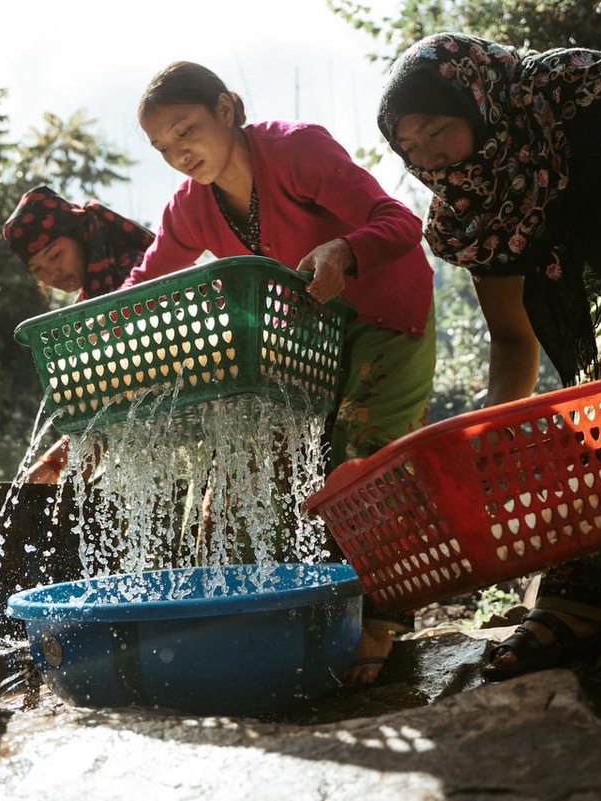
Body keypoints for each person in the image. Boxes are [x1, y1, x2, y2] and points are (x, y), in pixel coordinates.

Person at [377, 32, 601, 680]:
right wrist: (489, 441)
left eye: (437, 129)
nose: (429, 156)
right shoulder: (470, 211)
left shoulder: (582, 102)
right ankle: (585, 603)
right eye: (410, 147)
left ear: (480, 99)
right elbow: (513, 337)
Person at [126, 61, 438, 685]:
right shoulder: (189, 208)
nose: (178, 153)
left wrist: (344, 250)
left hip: (384, 312)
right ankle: (278, 620)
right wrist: (86, 334)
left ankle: (379, 625)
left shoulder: (296, 151)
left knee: (364, 462)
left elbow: (403, 223)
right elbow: (145, 281)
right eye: (163, 147)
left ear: (227, 108)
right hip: (305, 342)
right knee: (254, 470)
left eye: (186, 129)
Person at [3, 185, 154, 483]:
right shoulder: (85, 314)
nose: (52, 274)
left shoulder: (139, 271)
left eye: (56, 255)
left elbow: (128, 393)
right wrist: (52, 467)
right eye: (38, 270)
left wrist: (57, 466)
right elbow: (103, 413)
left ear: (81, 235)